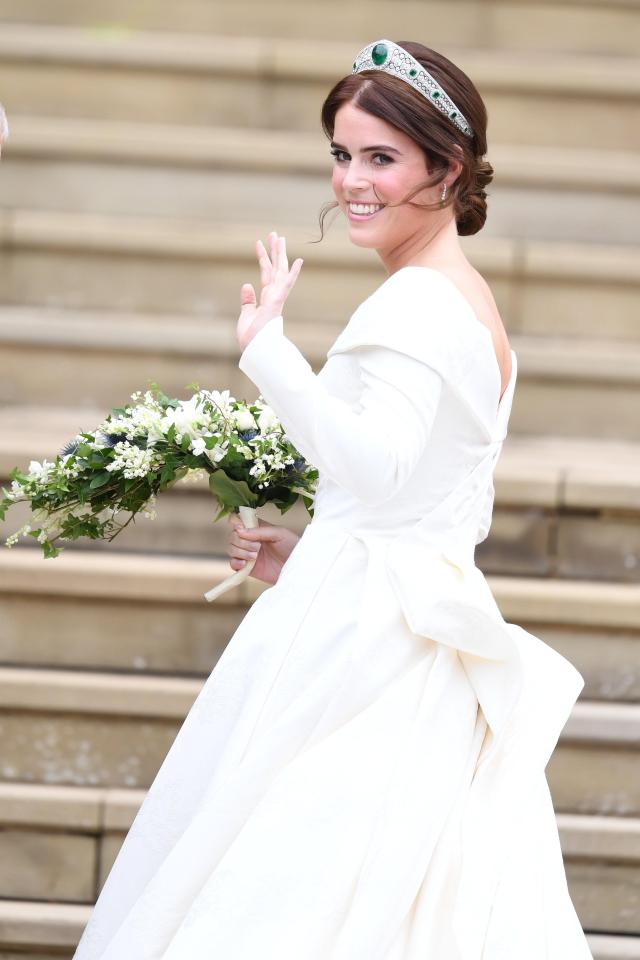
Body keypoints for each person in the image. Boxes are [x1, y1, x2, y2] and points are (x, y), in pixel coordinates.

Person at [72, 40, 592, 958]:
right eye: (342, 155)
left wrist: (268, 350)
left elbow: (378, 470)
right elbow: (428, 499)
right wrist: (311, 548)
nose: (353, 181)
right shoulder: (466, 299)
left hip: (366, 650)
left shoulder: (417, 304)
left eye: (382, 158)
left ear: (449, 168)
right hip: (405, 622)